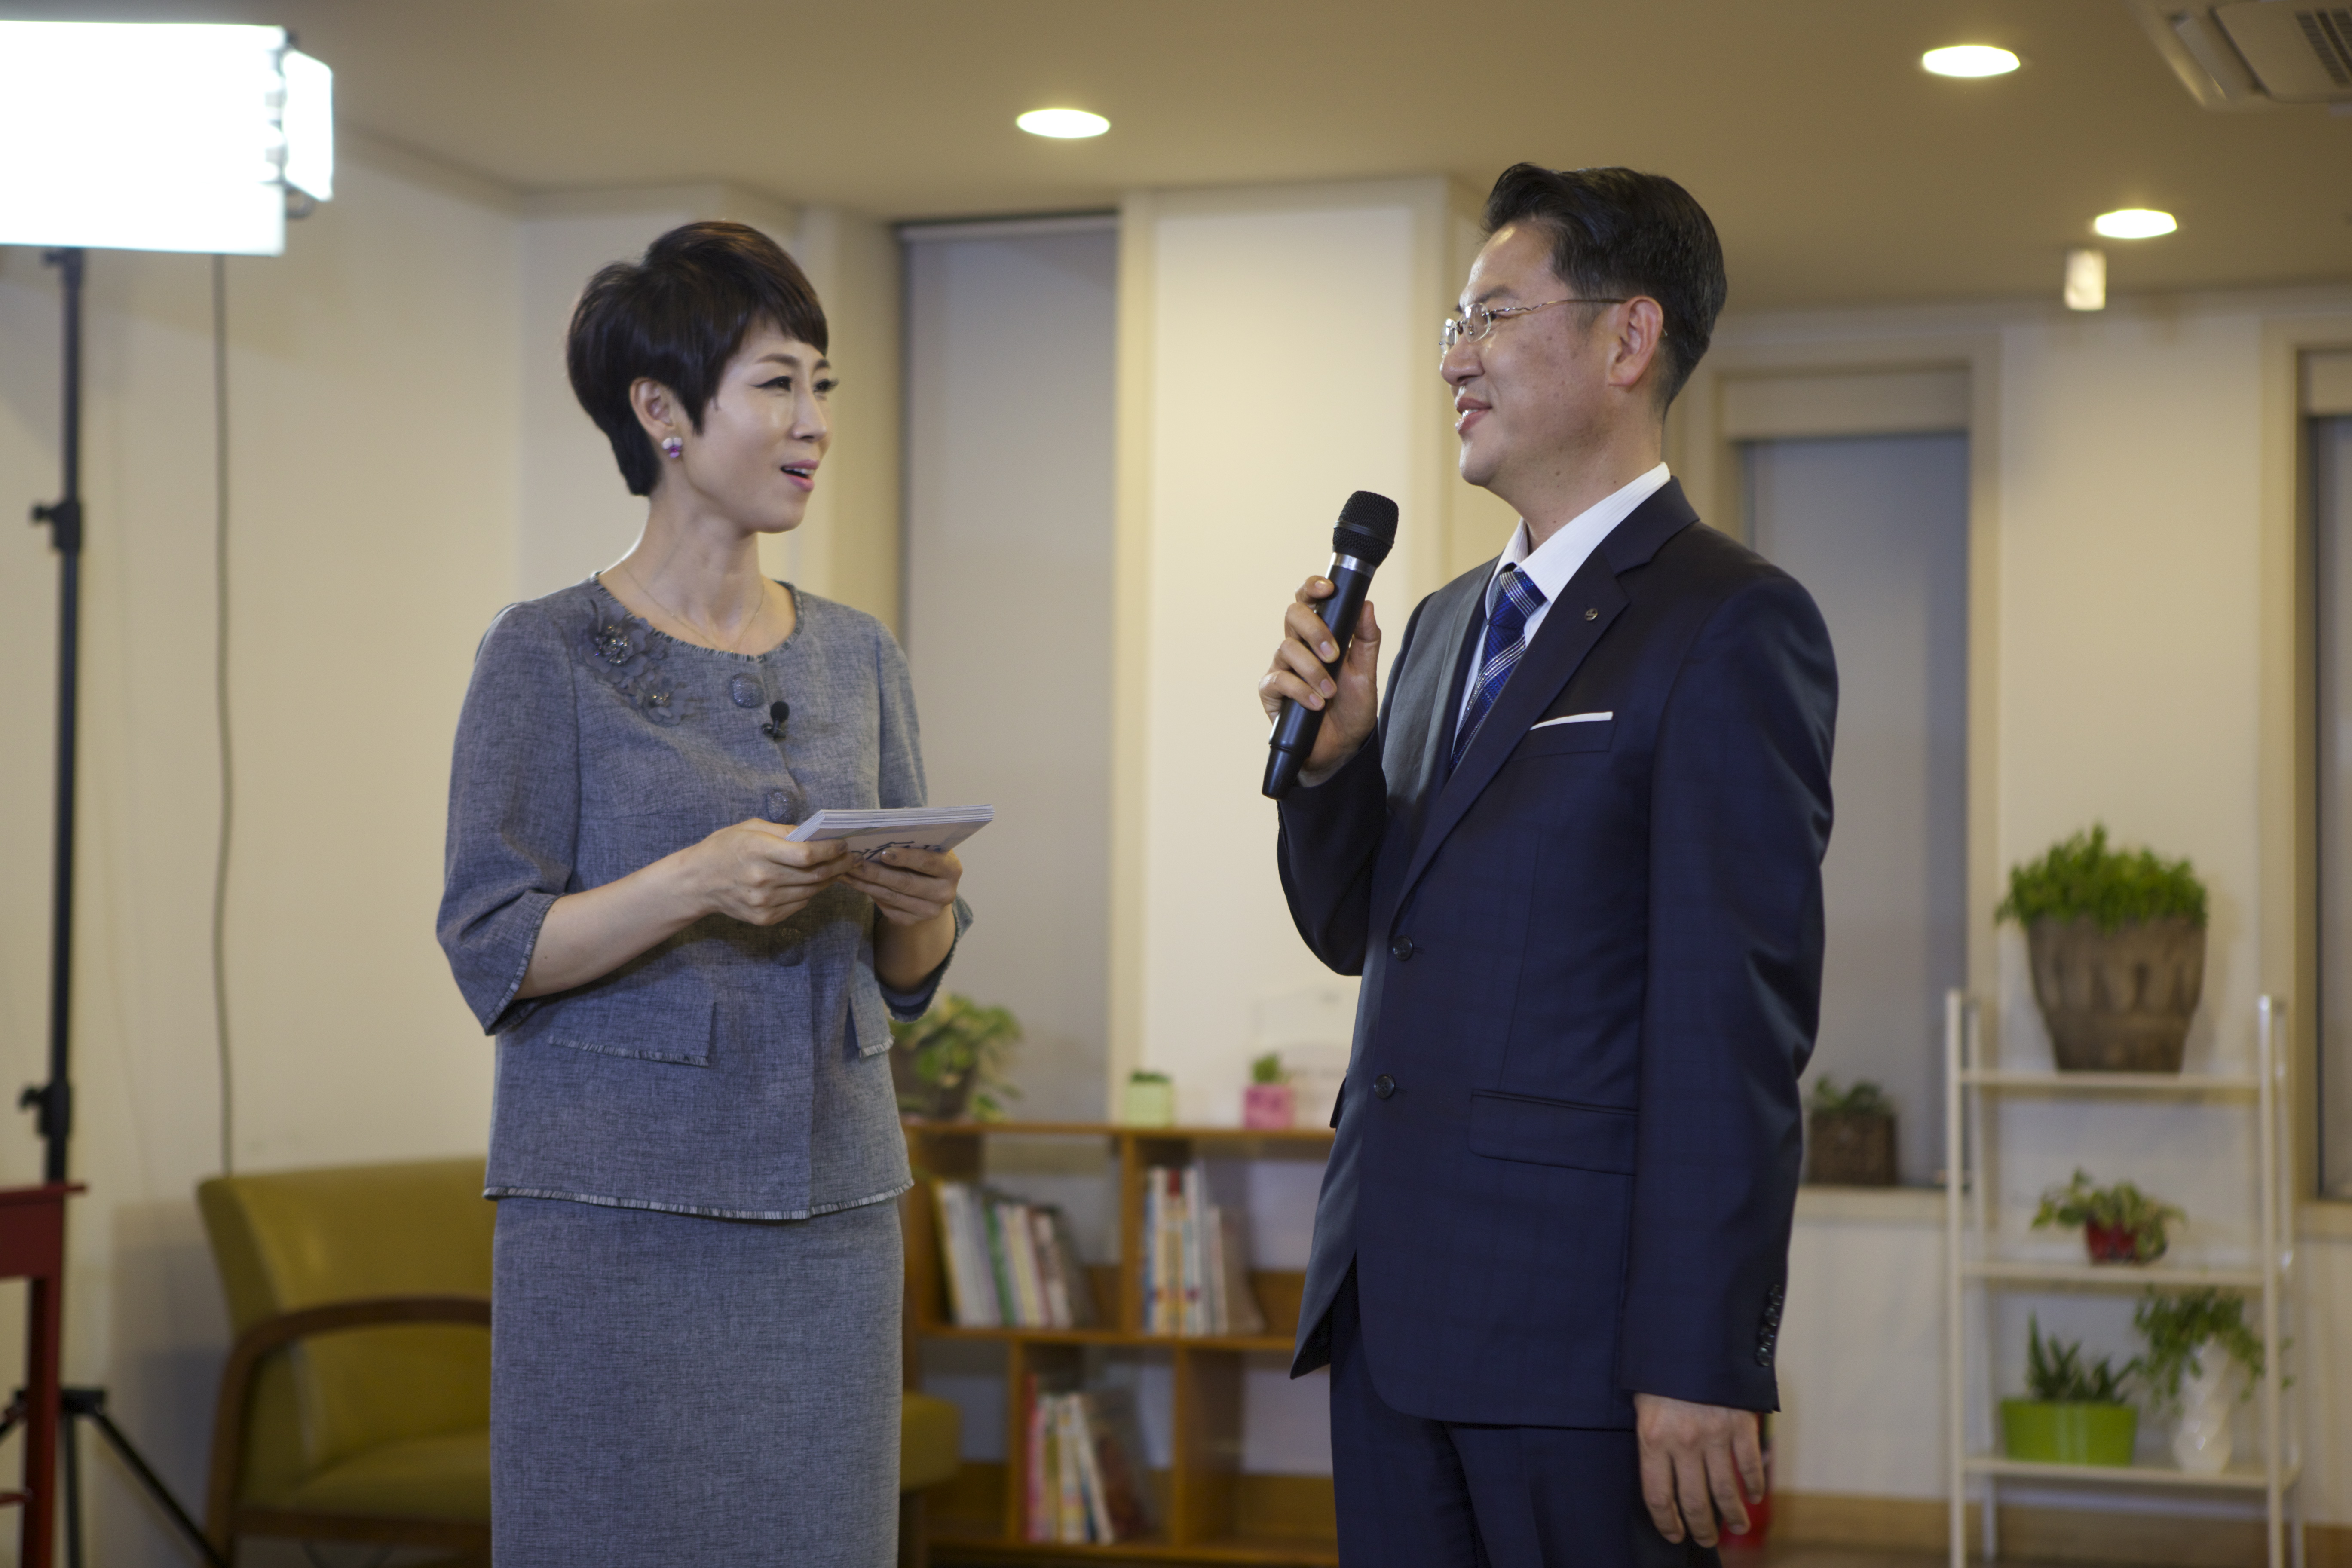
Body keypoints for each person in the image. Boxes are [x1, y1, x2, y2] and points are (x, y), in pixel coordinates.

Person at [1258, 165, 1837, 1566]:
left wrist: (1700, 1352)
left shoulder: (1731, 622)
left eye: (1493, 317)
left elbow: (1733, 1027)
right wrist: (1331, 765)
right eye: (1454, 323)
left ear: (1629, 339)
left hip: (1582, 1351)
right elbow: (1365, 928)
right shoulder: (1446, 624)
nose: (1455, 359)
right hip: (1391, 1311)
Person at [437, 221, 968, 1567]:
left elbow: (909, 978)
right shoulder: (544, 652)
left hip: (833, 1211)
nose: (814, 422)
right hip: (611, 1221)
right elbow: (493, 946)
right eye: (777, 385)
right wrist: (692, 881)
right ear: (662, 412)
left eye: (821, 386)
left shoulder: (860, 655)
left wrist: (921, 902)